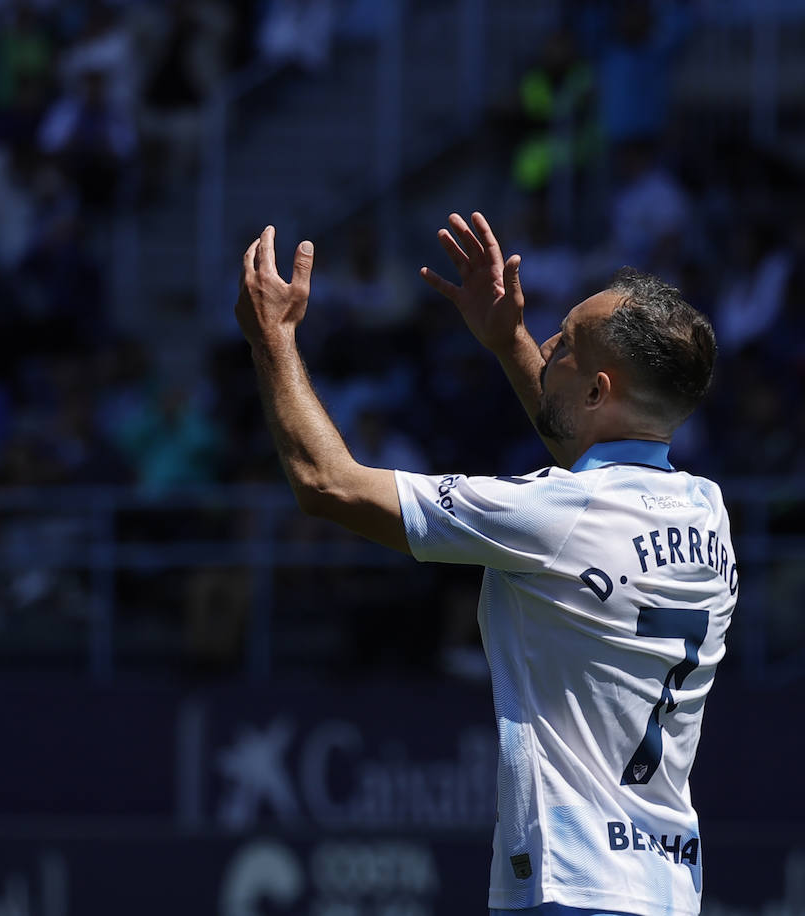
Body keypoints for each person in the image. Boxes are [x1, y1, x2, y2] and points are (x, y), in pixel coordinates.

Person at [234, 213, 736, 916]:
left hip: (572, 885)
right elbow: (590, 455)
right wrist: (510, 344)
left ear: (596, 390)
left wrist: (273, 339)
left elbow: (327, 485)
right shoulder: (706, 512)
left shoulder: (555, 513)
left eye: (564, 342)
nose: (549, 342)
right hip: (665, 891)